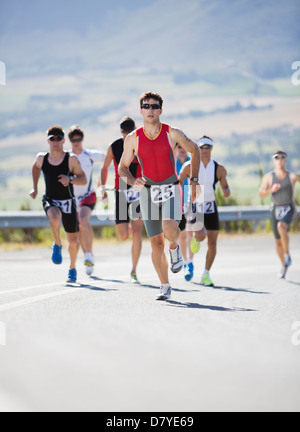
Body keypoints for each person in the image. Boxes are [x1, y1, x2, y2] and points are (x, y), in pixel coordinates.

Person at [119, 91, 200, 301]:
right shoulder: (133, 138)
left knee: (169, 227)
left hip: (171, 187)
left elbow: (195, 150)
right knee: (155, 243)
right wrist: (131, 180)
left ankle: (175, 247)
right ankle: (165, 286)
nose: (150, 110)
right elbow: (122, 167)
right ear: (141, 111)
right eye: (146, 106)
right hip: (147, 191)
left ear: (161, 110)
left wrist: (194, 180)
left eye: (154, 106)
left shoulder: (172, 133)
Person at [30, 125, 87, 283]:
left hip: (68, 202)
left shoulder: (71, 159)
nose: (55, 141)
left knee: (74, 241)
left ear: (63, 140)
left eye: (58, 138)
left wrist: (70, 179)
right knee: (54, 217)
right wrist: (34, 187)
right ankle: (57, 243)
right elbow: (35, 168)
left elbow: (83, 179)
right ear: (48, 141)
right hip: (51, 199)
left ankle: (72, 269)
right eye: (51, 139)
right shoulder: (42, 158)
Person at [179, 135, 230, 287]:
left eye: (207, 147)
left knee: (213, 243)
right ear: (197, 149)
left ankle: (206, 274)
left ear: (211, 148)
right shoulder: (189, 166)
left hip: (211, 206)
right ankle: (196, 239)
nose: (204, 150)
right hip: (195, 205)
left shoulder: (219, 168)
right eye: (201, 147)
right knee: (201, 235)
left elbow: (225, 185)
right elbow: (179, 182)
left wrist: (226, 191)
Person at [99, 117, 144, 284]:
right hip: (121, 192)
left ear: (135, 129)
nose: (126, 135)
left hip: (138, 190)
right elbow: (104, 167)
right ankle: (130, 224)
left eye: (129, 132)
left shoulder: (141, 144)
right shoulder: (115, 146)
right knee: (124, 235)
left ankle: (133, 271)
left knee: (138, 232)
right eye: (124, 132)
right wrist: (103, 189)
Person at [68, 125, 105, 276]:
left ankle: (89, 254)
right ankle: (87, 257)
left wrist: (100, 178)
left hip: (88, 195)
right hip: (72, 199)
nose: (76, 142)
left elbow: (107, 157)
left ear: (82, 139)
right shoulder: (67, 157)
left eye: (79, 139)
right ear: (69, 141)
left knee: (84, 220)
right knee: (77, 231)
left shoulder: (90, 155)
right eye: (73, 140)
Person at [259, 150, 300, 278]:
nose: (280, 160)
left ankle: (287, 254)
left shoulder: (291, 176)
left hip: (289, 207)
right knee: (277, 242)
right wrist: (271, 190)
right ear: (274, 160)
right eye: (277, 158)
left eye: (282, 157)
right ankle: (284, 265)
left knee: (281, 227)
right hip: (275, 208)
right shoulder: (269, 177)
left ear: (285, 160)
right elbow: (261, 193)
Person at [176, 145, 194, 281]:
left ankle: (190, 262)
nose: (181, 149)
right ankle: (186, 261)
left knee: (191, 233)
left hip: (193, 202)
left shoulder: (193, 162)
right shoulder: (172, 162)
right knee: (182, 236)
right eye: (179, 147)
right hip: (178, 203)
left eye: (183, 147)